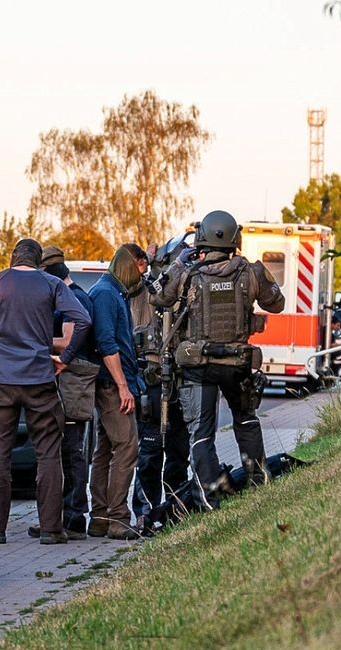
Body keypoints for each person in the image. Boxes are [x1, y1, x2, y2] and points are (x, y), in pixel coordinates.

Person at [152, 210, 285, 509]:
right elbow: (276, 304)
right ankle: (257, 482)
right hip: (238, 363)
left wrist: (177, 263)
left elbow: (157, 297)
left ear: (201, 239)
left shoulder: (188, 274)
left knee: (201, 433)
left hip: (199, 366)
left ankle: (210, 497)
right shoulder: (251, 272)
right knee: (247, 421)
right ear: (234, 239)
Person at [0, 239, 92, 545]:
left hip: (1, 382)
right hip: (40, 380)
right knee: (48, 455)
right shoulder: (51, 284)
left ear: (13, 258)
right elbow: (83, 319)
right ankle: (50, 529)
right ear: (38, 261)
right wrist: (65, 360)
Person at [35, 245, 99, 540]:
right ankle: (60, 516)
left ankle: (73, 518)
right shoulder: (68, 297)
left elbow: (68, 340)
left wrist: (34, 338)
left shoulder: (74, 298)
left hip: (73, 380)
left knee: (72, 452)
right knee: (63, 450)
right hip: (66, 380)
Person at [129, 242, 190, 536]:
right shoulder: (147, 288)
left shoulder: (192, 284)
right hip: (153, 378)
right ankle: (144, 511)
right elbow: (143, 291)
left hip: (182, 378)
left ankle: (176, 507)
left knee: (178, 450)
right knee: (150, 451)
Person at [85, 245, 145, 540]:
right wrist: (123, 386)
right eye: (141, 267)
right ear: (130, 263)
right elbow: (106, 343)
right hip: (112, 384)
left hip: (111, 382)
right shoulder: (107, 293)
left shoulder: (112, 291)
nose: (141, 275)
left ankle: (99, 517)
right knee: (126, 447)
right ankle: (118, 519)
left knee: (106, 449)